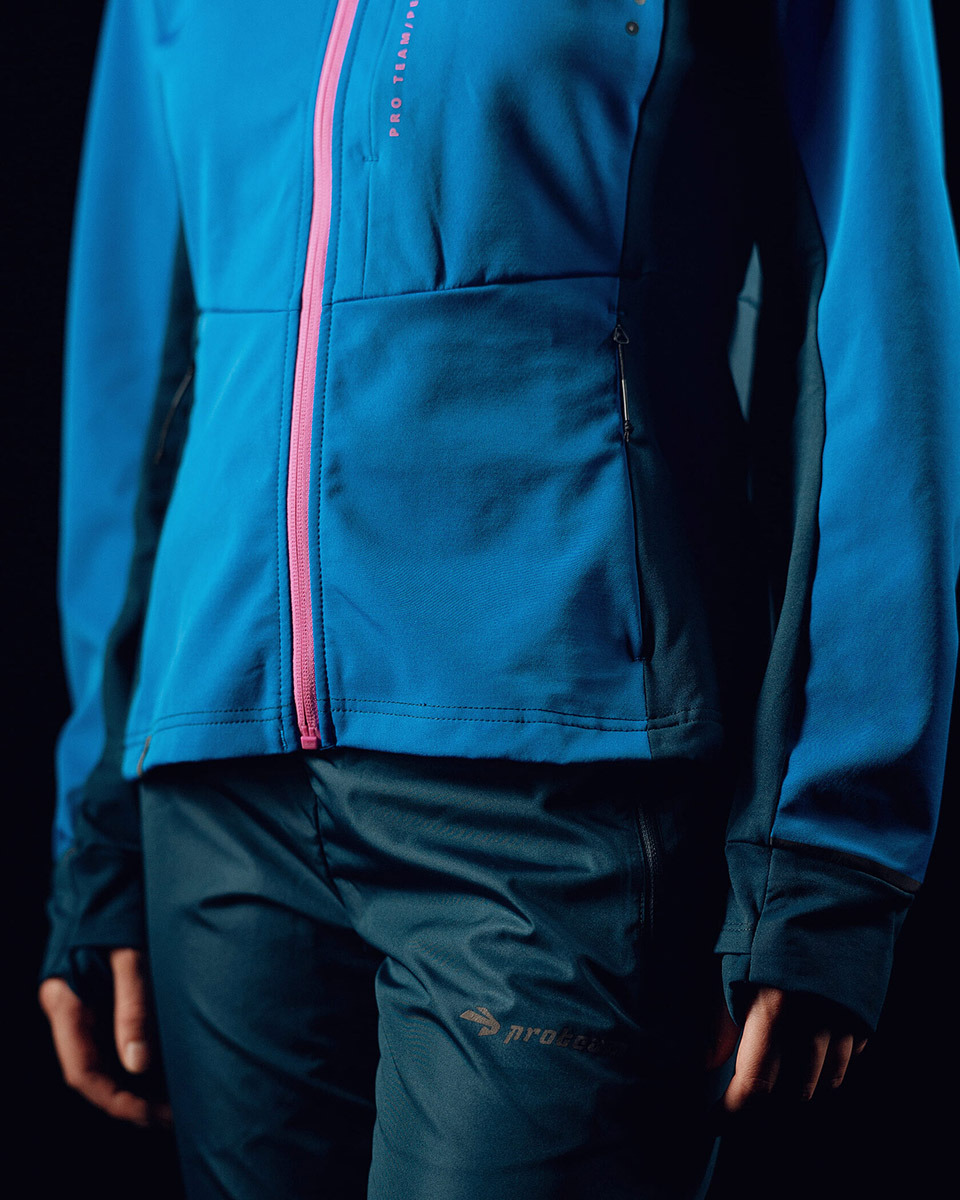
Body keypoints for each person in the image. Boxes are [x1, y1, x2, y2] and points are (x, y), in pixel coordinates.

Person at [38, 1, 959, 1197]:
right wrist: (99, 827)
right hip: (217, 788)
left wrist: (834, 839)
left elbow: (870, 304)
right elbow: (145, 362)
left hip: (558, 790)